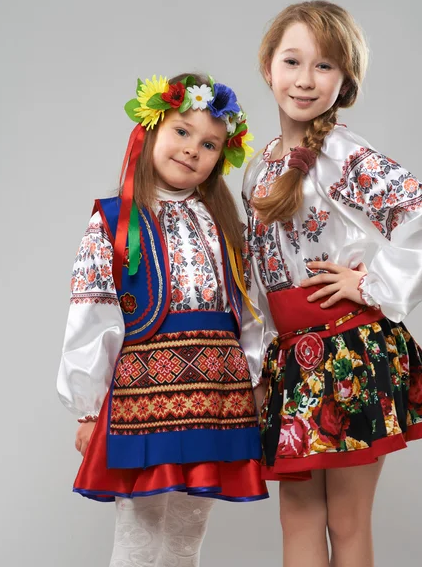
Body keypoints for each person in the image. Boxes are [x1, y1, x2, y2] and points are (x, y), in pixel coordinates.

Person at [242, 1, 422, 567]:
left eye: (325, 66)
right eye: (293, 61)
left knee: (346, 516)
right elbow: (257, 278)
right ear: (268, 66)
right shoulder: (258, 167)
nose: (305, 79)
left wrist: (372, 284)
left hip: (348, 351)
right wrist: (258, 362)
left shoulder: (342, 153)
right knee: (297, 513)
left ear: (345, 82)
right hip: (292, 358)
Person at [57, 73, 267, 567]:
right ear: (150, 130)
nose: (193, 149)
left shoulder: (227, 228)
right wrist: (89, 406)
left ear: (221, 157)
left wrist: (255, 379)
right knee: (139, 534)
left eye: (209, 143)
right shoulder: (114, 221)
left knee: (187, 535)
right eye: (182, 132)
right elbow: (94, 313)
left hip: (217, 396)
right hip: (145, 397)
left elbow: (250, 310)